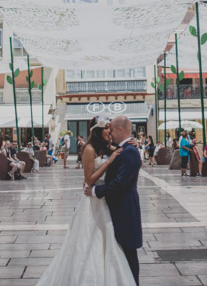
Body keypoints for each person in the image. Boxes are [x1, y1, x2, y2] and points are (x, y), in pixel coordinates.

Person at [37, 116, 134, 285]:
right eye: (106, 129)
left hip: (104, 199)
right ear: (97, 131)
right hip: (93, 198)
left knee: (107, 239)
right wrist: (109, 162)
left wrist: (133, 144)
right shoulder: (89, 149)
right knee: (88, 240)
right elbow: (89, 180)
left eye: (110, 128)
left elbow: (120, 150)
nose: (109, 132)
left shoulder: (105, 147)